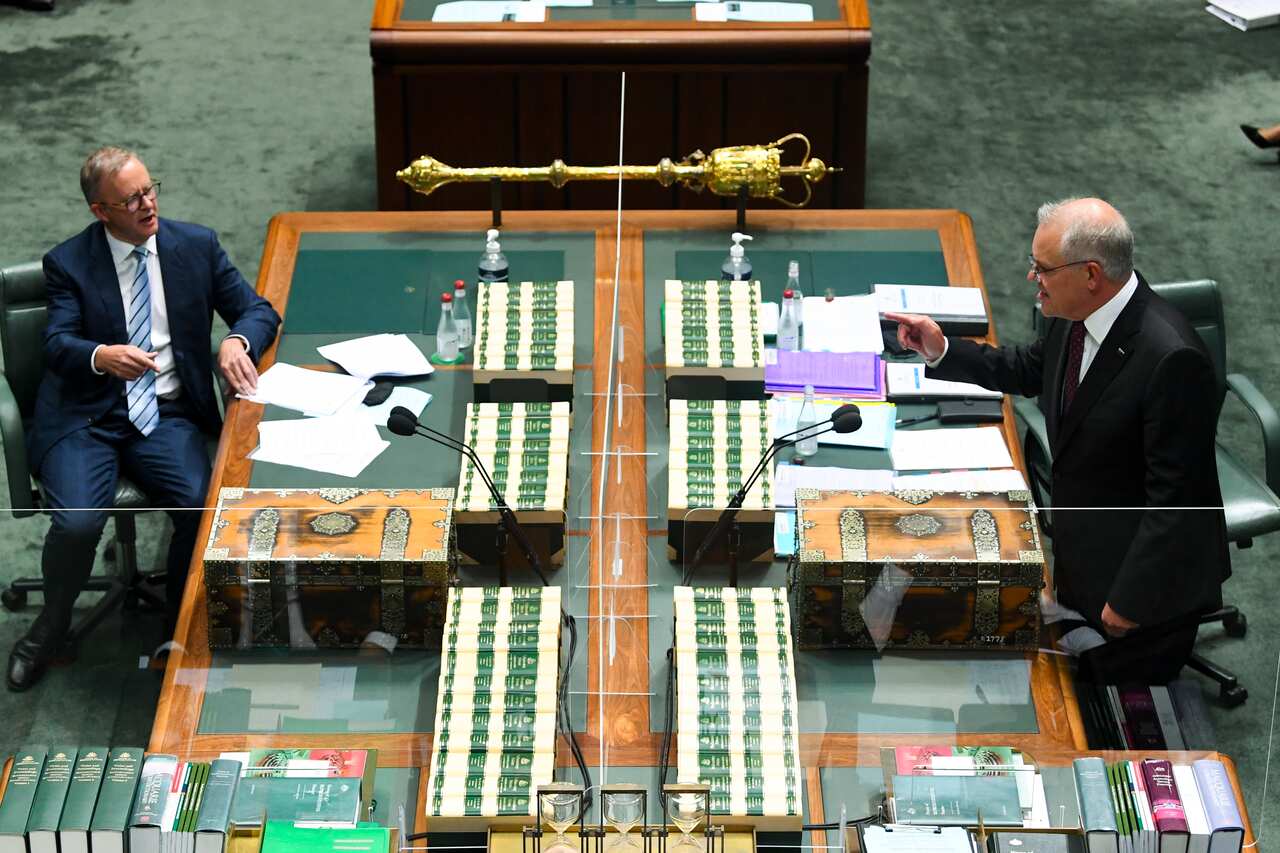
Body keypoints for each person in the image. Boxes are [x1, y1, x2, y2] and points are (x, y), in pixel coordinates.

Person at [886, 197, 1230, 683]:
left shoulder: (1172, 360)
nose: (1033, 278)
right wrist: (942, 350)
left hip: (1140, 584)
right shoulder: (1074, 313)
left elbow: (1176, 503)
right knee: (1075, 674)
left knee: (1118, 699)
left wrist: (1131, 597)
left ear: (1091, 274)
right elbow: (1030, 368)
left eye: (1042, 268)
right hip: (1084, 546)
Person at [7, 147, 281, 691]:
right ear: (99, 209)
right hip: (87, 417)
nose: (147, 204)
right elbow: (58, 342)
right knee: (79, 521)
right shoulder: (68, 262)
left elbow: (258, 309)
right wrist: (99, 356)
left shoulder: (195, 246)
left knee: (201, 506)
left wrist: (235, 340)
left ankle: (175, 630)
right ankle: (50, 627)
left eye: (149, 189)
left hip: (168, 412)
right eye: (131, 199)